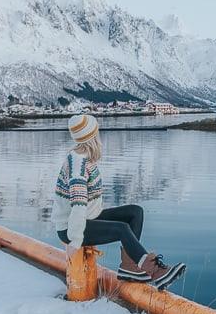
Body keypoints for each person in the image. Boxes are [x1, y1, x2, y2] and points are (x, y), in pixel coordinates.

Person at [53, 114, 186, 290]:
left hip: (89, 217)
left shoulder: (83, 156)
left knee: (135, 212)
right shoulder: (78, 163)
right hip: (70, 228)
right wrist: (75, 241)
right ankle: (154, 271)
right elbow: (78, 205)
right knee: (121, 229)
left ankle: (129, 267)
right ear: (92, 136)